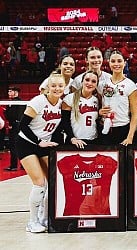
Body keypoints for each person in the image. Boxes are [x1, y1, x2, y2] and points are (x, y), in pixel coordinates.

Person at [16, 72, 65, 233]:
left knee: (52, 182)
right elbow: (22, 126)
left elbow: (58, 129)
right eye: (54, 86)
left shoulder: (61, 104)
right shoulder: (38, 101)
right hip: (26, 144)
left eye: (60, 86)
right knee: (39, 183)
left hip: (44, 145)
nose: (57, 88)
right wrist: (38, 141)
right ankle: (32, 221)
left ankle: (44, 217)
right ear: (47, 87)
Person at [98, 51, 137, 146]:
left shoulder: (130, 85)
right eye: (113, 61)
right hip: (105, 128)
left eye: (119, 61)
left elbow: (135, 114)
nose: (116, 64)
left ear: (124, 63)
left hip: (123, 129)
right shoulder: (102, 84)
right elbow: (98, 104)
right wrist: (100, 112)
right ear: (109, 63)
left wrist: (130, 137)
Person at [61, 71, 99, 149]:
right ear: (82, 81)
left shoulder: (97, 100)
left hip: (93, 140)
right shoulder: (69, 98)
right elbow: (64, 121)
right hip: (75, 142)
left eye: (93, 81)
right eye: (87, 80)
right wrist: (72, 138)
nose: (90, 83)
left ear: (96, 85)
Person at [4, 86, 26, 171]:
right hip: (20, 126)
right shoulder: (22, 102)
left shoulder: (13, 103)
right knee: (21, 146)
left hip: (14, 126)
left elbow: (10, 115)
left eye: (10, 91)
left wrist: (6, 112)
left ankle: (13, 166)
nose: (9, 93)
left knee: (13, 146)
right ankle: (23, 165)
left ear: (16, 92)